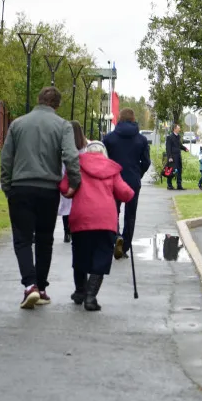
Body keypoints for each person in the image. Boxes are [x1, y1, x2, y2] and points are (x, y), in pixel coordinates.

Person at [0, 86, 81, 310]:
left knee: (23, 239)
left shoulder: (17, 124)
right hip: (48, 190)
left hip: (21, 188)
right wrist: (74, 183)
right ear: (57, 105)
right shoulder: (63, 125)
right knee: (45, 239)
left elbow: (6, 159)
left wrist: (7, 187)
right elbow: (71, 155)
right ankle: (42, 289)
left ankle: (30, 286)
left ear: (38, 100)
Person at [59, 141, 135, 312]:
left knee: (80, 255)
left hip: (81, 217)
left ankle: (80, 292)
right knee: (102, 255)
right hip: (105, 220)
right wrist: (130, 193)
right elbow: (125, 193)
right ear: (104, 153)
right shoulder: (111, 169)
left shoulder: (77, 165)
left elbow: (65, 187)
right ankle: (91, 297)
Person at [102, 108, 151, 261]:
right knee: (130, 215)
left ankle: (115, 237)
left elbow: (104, 160)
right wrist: (138, 174)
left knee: (112, 212)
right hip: (132, 181)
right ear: (133, 119)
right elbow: (146, 162)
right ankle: (125, 246)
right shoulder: (141, 140)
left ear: (119, 119)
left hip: (112, 180)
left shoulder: (109, 139)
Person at [59, 121, 88, 244]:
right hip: (82, 181)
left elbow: (62, 168)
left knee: (67, 207)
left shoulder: (66, 148)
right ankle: (76, 230)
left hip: (68, 179)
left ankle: (67, 232)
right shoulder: (85, 148)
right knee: (78, 206)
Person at [164, 124, 187, 190]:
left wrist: (185, 148)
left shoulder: (178, 137)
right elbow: (168, 148)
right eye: (178, 128)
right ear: (174, 129)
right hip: (172, 157)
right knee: (171, 171)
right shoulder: (170, 137)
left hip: (178, 156)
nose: (179, 129)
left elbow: (179, 145)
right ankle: (169, 185)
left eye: (179, 128)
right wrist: (170, 157)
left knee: (179, 170)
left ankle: (179, 185)